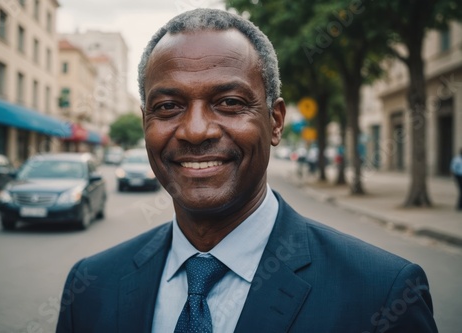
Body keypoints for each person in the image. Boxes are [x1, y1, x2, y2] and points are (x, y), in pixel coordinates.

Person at [56, 8, 437, 333]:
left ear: (275, 122)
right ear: (145, 125)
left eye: (229, 102)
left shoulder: (383, 295)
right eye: (169, 106)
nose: (195, 130)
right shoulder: (91, 288)